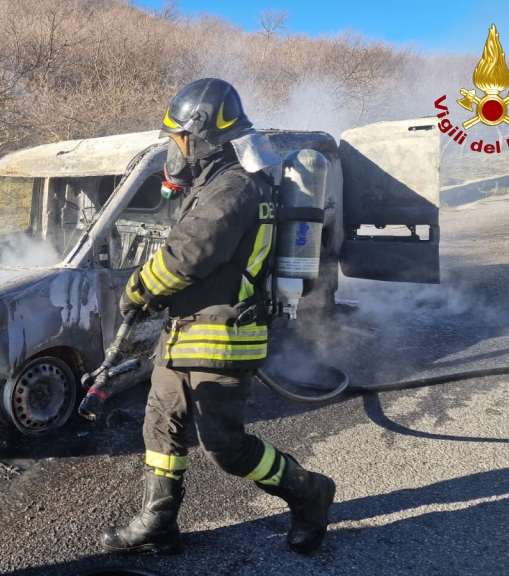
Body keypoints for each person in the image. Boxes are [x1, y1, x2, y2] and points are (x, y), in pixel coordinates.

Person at [103, 78, 336, 555]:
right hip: (186, 332)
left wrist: (137, 288)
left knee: (225, 447)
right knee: (160, 424)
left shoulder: (235, 185)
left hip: (223, 336)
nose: (175, 147)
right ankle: (157, 523)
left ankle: (309, 491)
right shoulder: (215, 182)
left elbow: (189, 254)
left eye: (178, 137)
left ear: (200, 130)